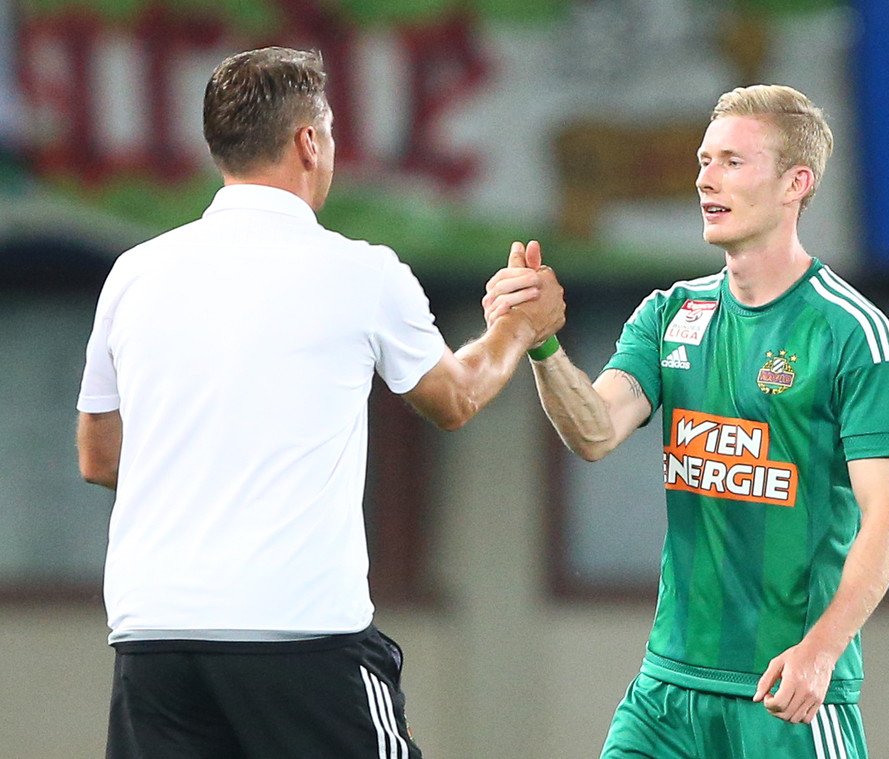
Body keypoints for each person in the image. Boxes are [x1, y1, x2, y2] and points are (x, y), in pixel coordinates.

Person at [76, 46, 563, 759]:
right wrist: (517, 327)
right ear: (309, 142)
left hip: (154, 636)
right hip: (297, 632)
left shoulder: (134, 273)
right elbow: (455, 399)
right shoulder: (360, 272)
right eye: (330, 130)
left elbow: (98, 457)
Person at [486, 85, 889, 758]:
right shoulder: (670, 314)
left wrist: (821, 650)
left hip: (785, 693)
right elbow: (594, 430)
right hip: (666, 693)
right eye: (704, 160)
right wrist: (541, 345)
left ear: (795, 183)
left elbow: (887, 517)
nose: (705, 179)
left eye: (732, 162)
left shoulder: (853, 334)